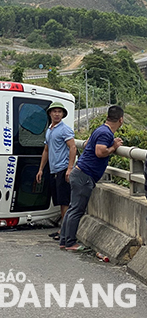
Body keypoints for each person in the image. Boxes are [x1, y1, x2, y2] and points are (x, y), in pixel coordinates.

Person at [60, 106, 124, 252]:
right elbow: (100, 152)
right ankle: (70, 243)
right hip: (84, 176)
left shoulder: (100, 129)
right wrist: (114, 146)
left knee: (72, 209)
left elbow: (88, 144)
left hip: (80, 173)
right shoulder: (106, 133)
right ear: (121, 120)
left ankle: (64, 241)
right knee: (76, 210)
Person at [35, 101, 76, 240]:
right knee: (59, 201)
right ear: (50, 114)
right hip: (53, 170)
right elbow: (46, 150)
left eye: (59, 112)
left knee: (65, 202)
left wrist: (69, 168)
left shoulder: (65, 129)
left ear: (63, 114)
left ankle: (64, 232)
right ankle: (62, 230)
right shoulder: (50, 130)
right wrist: (41, 169)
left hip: (63, 169)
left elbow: (73, 147)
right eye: (54, 111)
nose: (57, 114)